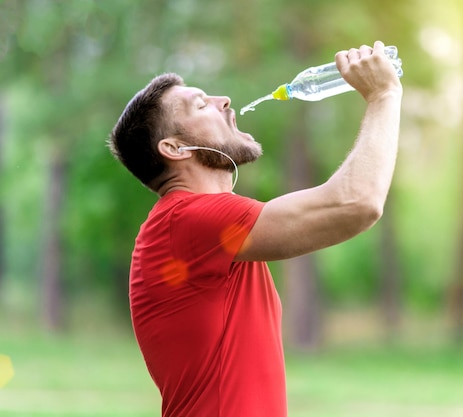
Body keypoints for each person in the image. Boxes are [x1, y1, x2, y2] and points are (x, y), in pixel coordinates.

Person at [108, 40, 402, 417]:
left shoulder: (206, 229)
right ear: (175, 148)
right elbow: (356, 203)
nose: (224, 100)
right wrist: (383, 94)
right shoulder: (187, 220)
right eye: (201, 105)